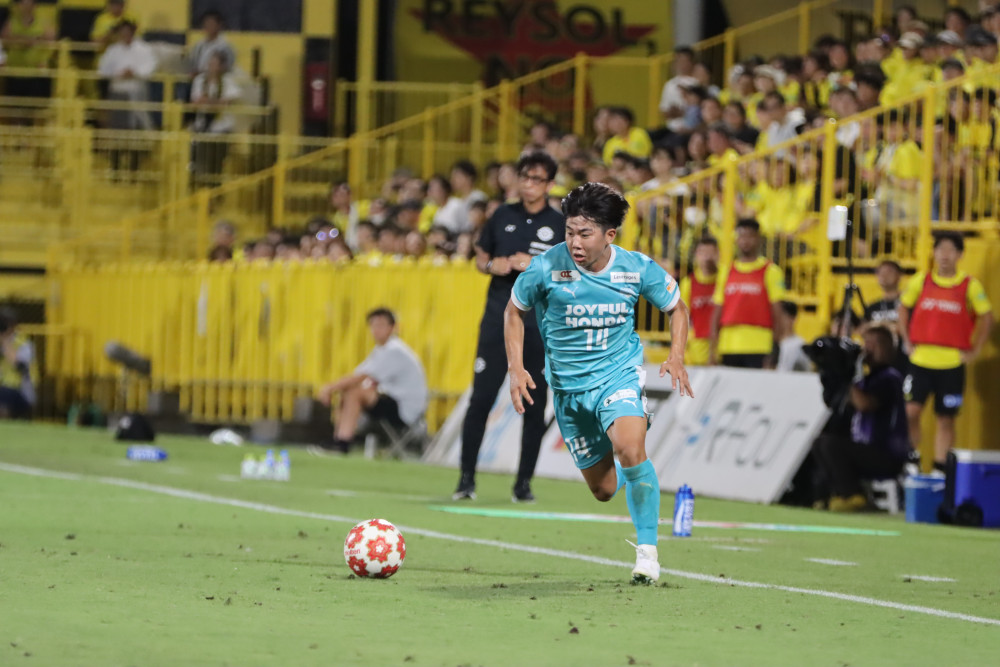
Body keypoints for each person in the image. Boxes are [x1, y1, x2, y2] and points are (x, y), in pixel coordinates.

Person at [505, 182, 694, 584]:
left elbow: (677, 308)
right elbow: (514, 311)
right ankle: (634, 474)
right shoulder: (545, 267)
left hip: (618, 376)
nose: (574, 242)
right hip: (569, 392)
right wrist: (516, 367)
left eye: (584, 233)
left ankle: (648, 554)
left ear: (609, 234)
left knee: (630, 447)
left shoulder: (635, 268)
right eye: (569, 231)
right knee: (605, 489)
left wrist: (676, 355)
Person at [453, 151, 566, 502]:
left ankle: (523, 483)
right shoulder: (502, 215)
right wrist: (493, 266)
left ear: (549, 184)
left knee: (534, 402)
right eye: (525, 177)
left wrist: (536, 265)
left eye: (537, 179)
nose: (529, 185)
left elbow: (571, 273)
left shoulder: (560, 224)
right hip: (497, 319)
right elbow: (480, 257)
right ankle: (466, 480)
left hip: (537, 324)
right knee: (481, 399)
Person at [898, 233, 994, 473]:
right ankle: (912, 459)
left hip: (951, 363)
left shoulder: (969, 285)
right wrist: (906, 339)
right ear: (934, 252)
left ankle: (940, 468)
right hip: (920, 360)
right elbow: (903, 308)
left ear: (960, 255)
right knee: (910, 412)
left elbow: (987, 316)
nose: (944, 255)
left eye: (951, 250)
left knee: (946, 418)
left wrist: (975, 349)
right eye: (940, 249)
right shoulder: (922, 281)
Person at [811, 326, 911, 512]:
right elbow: (837, 404)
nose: (866, 349)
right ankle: (836, 493)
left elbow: (865, 404)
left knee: (829, 444)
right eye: (866, 343)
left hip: (887, 455)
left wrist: (846, 378)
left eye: (872, 344)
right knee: (820, 442)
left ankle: (853, 495)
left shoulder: (889, 378)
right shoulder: (867, 379)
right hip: (867, 449)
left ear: (886, 348)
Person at [313, 308, 428, 455]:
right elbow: (358, 375)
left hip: (405, 410)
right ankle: (339, 439)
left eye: (380, 325)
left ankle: (343, 442)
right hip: (393, 401)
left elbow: (361, 377)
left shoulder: (394, 350)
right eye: (373, 325)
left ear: (392, 327)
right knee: (349, 389)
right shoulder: (381, 350)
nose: (376, 330)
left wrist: (329, 388)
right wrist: (337, 387)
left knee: (354, 392)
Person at [709, 218, 786, 368]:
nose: (745, 241)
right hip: (728, 346)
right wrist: (712, 350)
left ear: (758, 239)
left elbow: (778, 312)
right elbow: (718, 309)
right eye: (741, 236)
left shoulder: (771, 271)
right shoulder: (727, 271)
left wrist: (775, 349)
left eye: (750, 236)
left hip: (760, 346)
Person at [1, 0, 55, 98]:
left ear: (35, 6)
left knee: (33, 104)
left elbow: (51, 42)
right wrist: (29, 40)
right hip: (14, 72)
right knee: (14, 104)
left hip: (35, 72)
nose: (26, 7)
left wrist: (44, 60)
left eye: (29, 4)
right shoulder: (11, 23)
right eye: (23, 3)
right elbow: (4, 41)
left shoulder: (43, 23)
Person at [678, 236, 718, 366]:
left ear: (718, 255)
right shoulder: (688, 283)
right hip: (697, 349)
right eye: (703, 253)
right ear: (696, 255)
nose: (707, 257)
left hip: (721, 347)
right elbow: (683, 317)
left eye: (711, 253)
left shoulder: (725, 279)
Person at [0, 308, 37, 419]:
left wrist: (5, 341)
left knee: (3, 394)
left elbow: (20, 366)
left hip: (22, 392)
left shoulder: (24, 343)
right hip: (4, 389)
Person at [189, 10, 236, 76]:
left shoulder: (225, 47)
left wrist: (205, 73)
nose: (208, 26)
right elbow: (194, 65)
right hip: (198, 80)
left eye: (211, 24)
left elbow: (227, 68)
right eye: (206, 23)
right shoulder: (199, 45)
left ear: (219, 25)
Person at [773, 301, 811, 372]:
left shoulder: (799, 345)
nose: (777, 320)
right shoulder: (768, 344)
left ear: (792, 319)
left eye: (781, 317)